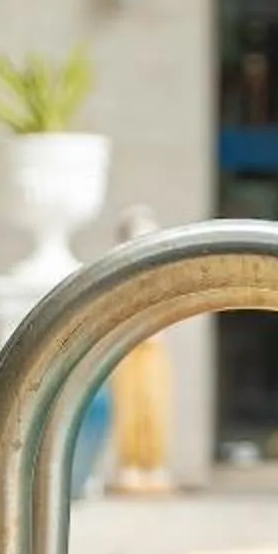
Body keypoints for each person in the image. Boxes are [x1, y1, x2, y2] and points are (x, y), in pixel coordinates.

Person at [106, 207, 175, 494]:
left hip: (153, 345)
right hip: (127, 346)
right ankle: (130, 466)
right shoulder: (118, 272)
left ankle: (154, 465)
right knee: (129, 407)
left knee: (155, 405)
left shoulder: (161, 272)